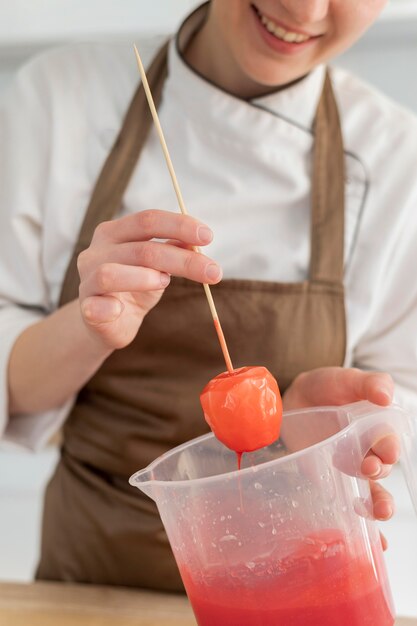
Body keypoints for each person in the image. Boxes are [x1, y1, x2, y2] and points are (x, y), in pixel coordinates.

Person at [0, 0, 416, 590]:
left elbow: (403, 408)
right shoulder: (59, 99)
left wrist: (320, 433)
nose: (306, 8)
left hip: (294, 584)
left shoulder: (398, 159)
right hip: (92, 586)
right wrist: (89, 324)